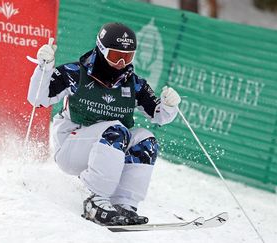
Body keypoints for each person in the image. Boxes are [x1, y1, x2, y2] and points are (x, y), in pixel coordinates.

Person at [27, 23, 181, 226]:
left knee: (146, 140)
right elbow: (38, 98)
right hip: (71, 147)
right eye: (115, 55)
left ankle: (124, 204)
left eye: (127, 57)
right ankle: (96, 200)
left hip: (108, 149)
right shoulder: (75, 73)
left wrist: (169, 106)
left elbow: (159, 116)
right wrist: (43, 69)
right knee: (116, 130)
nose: (120, 62)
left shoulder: (134, 84)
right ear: (101, 49)